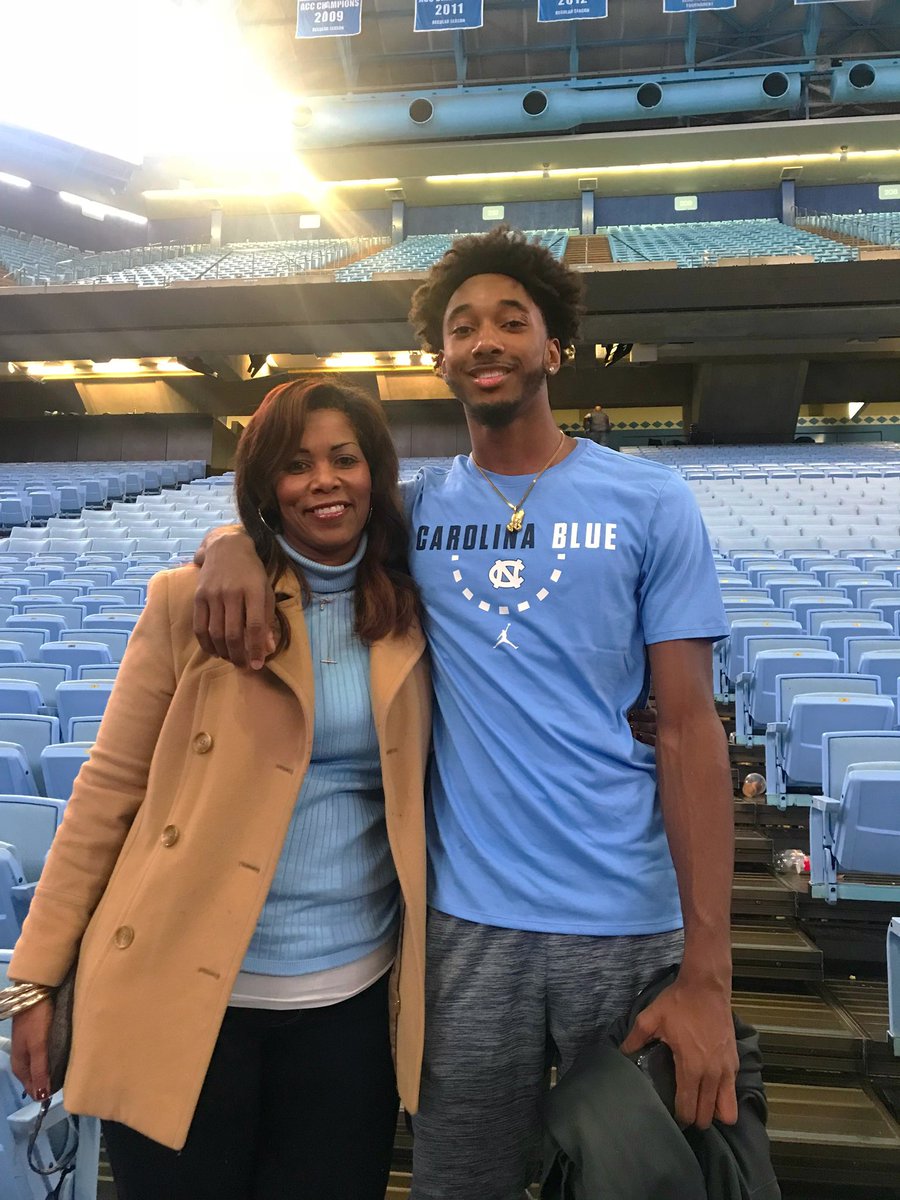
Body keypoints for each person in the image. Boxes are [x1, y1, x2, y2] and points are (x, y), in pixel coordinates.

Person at [193, 227, 741, 1200]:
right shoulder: (407, 509)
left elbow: (692, 729)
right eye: (462, 326)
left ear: (553, 348)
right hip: (460, 928)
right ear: (438, 358)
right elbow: (293, 534)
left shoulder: (651, 500)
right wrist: (231, 541)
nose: (485, 338)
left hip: (622, 920)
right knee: (461, 1184)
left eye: (511, 320)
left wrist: (709, 973)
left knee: (638, 1183)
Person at [4, 379, 431, 1200]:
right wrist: (37, 976)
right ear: (265, 485)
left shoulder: (418, 603)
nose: (323, 482)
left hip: (348, 1003)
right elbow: (108, 789)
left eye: (345, 459)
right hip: (184, 990)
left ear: (377, 472)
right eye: (296, 466)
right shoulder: (189, 601)